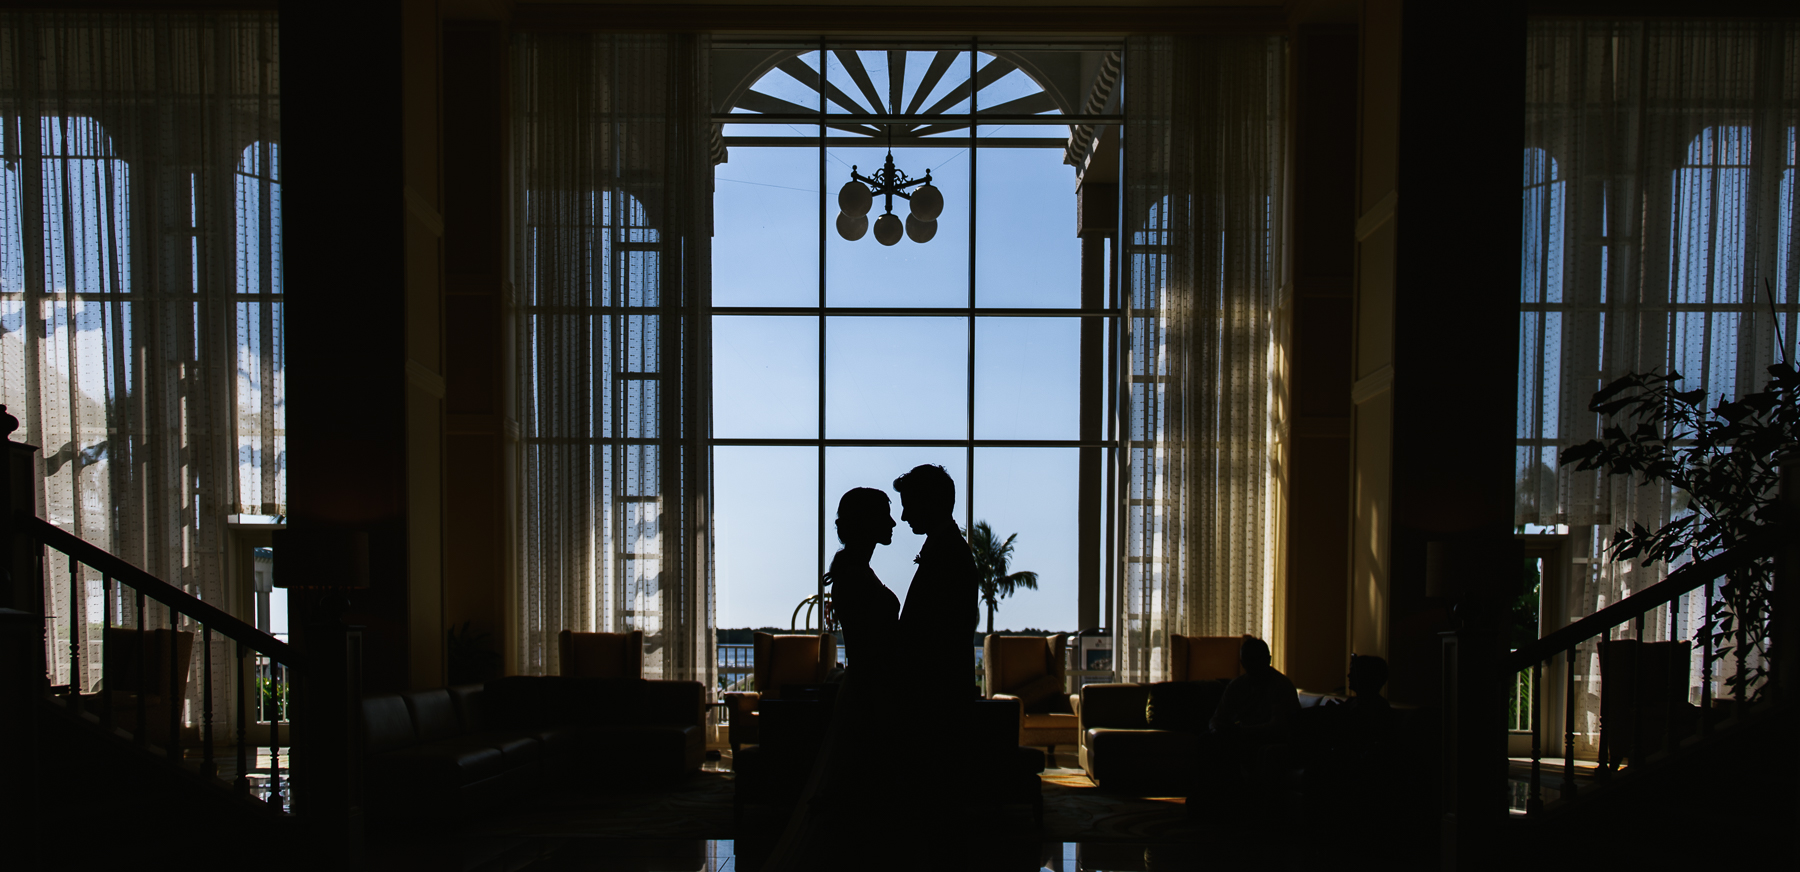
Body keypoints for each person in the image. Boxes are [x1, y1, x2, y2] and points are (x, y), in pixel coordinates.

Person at [764, 488, 906, 871]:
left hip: (867, 687)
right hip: (869, 692)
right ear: (866, 524)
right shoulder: (855, 576)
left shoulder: (855, 570)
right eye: (885, 517)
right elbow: (875, 645)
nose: (893, 523)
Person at [1208, 636, 1301, 737]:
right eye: (1250, 661)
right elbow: (1217, 718)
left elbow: (1277, 728)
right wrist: (1216, 730)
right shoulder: (1236, 686)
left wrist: (1235, 731)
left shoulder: (1281, 687)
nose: (1254, 666)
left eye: (1258, 660)